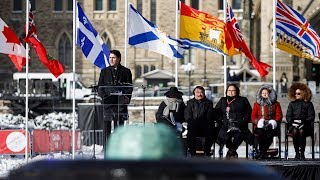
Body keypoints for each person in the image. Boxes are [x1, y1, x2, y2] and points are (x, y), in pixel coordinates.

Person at [98, 50, 133, 151]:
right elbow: (100, 87)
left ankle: (119, 148)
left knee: (120, 128)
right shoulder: (104, 71)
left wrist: (126, 97)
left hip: (120, 103)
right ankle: (107, 148)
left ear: (119, 59)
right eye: (110, 58)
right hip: (108, 104)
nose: (111, 60)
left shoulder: (126, 71)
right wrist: (104, 97)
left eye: (113, 58)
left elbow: (129, 87)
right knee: (107, 127)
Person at [215, 84, 252, 159]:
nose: (231, 92)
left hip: (239, 125)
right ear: (226, 91)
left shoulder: (243, 100)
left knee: (239, 135)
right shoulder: (223, 100)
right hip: (225, 125)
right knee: (218, 135)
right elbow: (216, 111)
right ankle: (233, 151)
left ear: (237, 91)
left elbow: (249, 112)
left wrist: (244, 121)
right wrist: (220, 119)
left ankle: (230, 152)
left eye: (233, 90)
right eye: (229, 90)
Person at [251, 85, 283, 159]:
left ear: (270, 94)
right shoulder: (257, 104)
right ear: (260, 94)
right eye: (263, 93)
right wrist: (259, 122)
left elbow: (279, 116)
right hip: (260, 126)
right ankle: (261, 152)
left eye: (266, 93)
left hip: (271, 126)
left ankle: (261, 153)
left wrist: (272, 122)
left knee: (269, 134)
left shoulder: (276, 104)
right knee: (259, 134)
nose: (264, 94)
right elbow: (253, 117)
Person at [286, 83, 315, 160]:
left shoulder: (309, 104)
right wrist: (293, 122)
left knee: (301, 131)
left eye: (298, 93)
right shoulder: (291, 104)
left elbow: (311, 117)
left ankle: (302, 153)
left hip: (306, 126)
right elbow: (288, 117)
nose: (296, 95)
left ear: (303, 93)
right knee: (295, 131)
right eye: (295, 93)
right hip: (293, 125)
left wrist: (303, 122)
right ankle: (297, 153)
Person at [185, 86, 215, 157]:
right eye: (197, 92)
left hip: (205, 126)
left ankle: (206, 152)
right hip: (193, 126)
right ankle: (193, 153)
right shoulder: (190, 103)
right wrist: (191, 122)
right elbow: (187, 115)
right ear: (194, 93)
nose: (199, 94)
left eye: (201, 92)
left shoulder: (208, 103)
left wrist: (205, 123)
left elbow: (209, 115)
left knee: (210, 132)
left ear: (204, 93)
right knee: (190, 133)